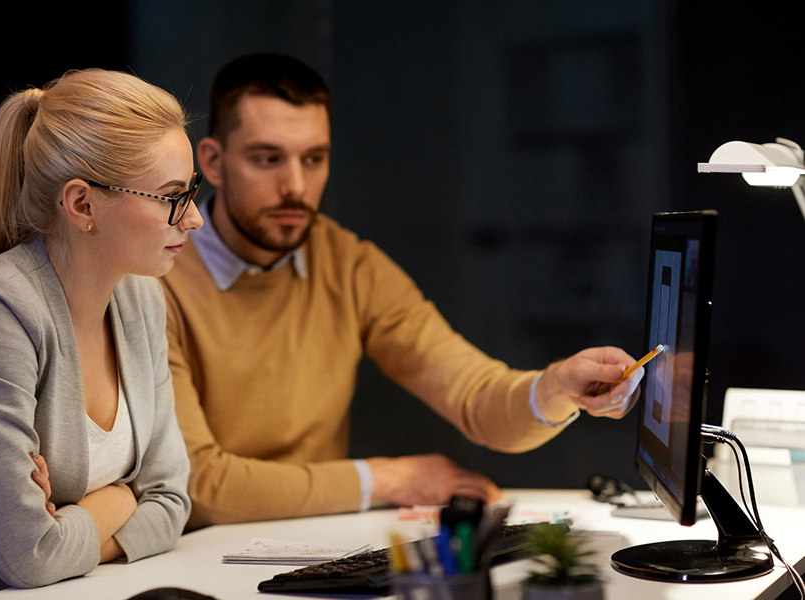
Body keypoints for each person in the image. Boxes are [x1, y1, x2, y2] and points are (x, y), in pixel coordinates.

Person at [160, 53, 645, 530]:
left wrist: (558, 385)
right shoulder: (160, 274)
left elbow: (476, 397)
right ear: (214, 162)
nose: (295, 185)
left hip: (310, 543)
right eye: (268, 159)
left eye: (314, 159)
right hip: (191, 555)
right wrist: (390, 479)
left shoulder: (348, 264)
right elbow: (199, 485)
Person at [0, 68, 203, 599]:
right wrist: (119, 499)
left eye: (192, 192)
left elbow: (174, 500)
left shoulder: (139, 297)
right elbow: (30, 558)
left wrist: (78, 521)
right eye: (172, 196)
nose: (195, 218)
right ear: (82, 205)